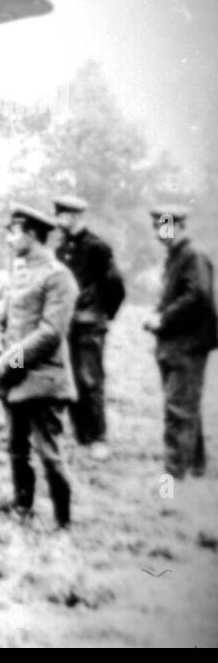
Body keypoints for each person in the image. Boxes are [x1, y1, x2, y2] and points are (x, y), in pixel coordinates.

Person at [0, 205, 77, 529]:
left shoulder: (59, 276)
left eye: (13, 232)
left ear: (31, 234)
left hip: (43, 380)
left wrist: (9, 360)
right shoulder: (18, 273)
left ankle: (63, 521)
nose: (9, 239)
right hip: (13, 378)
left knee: (49, 453)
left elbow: (51, 333)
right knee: (16, 448)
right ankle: (22, 507)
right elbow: (1, 320)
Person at [143, 204, 217, 480]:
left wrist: (163, 319)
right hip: (174, 344)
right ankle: (195, 466)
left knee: (178, 410)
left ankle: (173, 475)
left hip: (188, 345)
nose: (158, 232)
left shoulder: (192, 256)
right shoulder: (176, 257)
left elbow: (198, 296)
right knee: (186, 407)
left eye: (163, 226)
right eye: (156, 226)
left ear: (177, 227)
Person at [53, 195, 125, 460]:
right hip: (67, 325)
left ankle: (98, 437)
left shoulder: (97, 248)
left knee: (90, 380)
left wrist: (102, 316)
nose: (58, 220)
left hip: (89, 325)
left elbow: (115, 286)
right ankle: (82, 435)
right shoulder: (62, 250)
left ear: (73, 217)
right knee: (71, 378)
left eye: (62, 215)